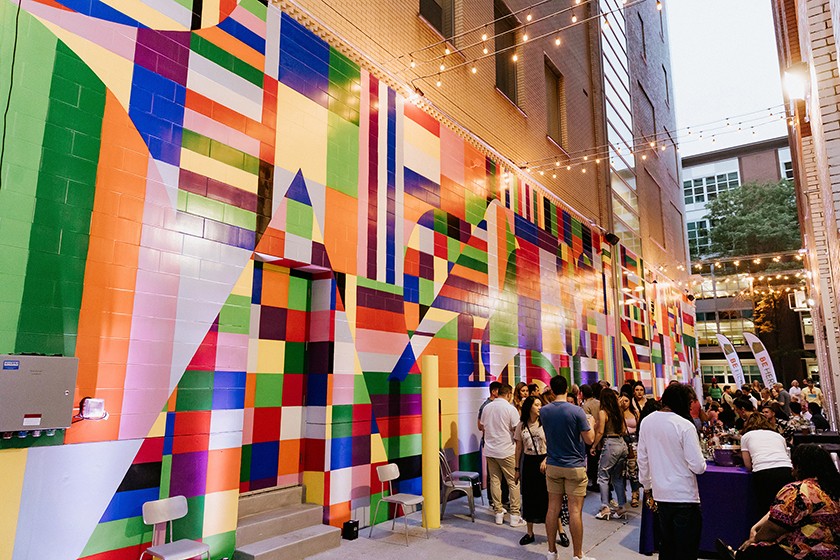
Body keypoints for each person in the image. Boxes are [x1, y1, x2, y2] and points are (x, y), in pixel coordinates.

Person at [719, 444, 840, 560]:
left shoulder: (797, 490)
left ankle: (738, 555)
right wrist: (755, 527)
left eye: (793, 465)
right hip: (834, 550)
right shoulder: (832, 487)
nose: (792, 470)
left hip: (807, 552)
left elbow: (774, 528)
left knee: (757, 549)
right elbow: (780, 513)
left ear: (800, 467)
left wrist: (754, 540)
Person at [638, 383, 707, 560]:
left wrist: (647, 485)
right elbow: (698, 466)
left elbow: (642, 458)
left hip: (661, 495)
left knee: (667, 548)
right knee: (686, 551)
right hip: (684, 496)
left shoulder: (647, 421)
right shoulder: (684, 425)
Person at [541, 375, 596, 560]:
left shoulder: (544, 411)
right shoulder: (577, 411)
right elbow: (589, 439)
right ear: (567, 389)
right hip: (574, 466)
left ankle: (551, 552)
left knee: (552, 509)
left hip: (553, 464)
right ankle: (577, 555)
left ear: (552, 389)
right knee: (575, 511)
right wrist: (592, 424)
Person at [514, 396, 570, 548]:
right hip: (529, 463)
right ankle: (529, 532)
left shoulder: (546, 423)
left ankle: (561, 530)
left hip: (546, 461)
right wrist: (516, 469)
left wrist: (546, 459)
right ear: (529, 407)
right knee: (529, 496)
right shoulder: (521, 425)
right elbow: (518, 448)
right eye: (536, 405)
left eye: (540, 404)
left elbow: (554, 443)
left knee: (551, 498)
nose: (540, 407)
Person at [481, 383, 526, 527]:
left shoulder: (487, 407)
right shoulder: (510, 409)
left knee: (495, 481)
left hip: (490, 450)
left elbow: (482, 425)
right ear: (509, 394)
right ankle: (515, 515)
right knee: (513, 482)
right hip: (506, 450)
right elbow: (516, 429)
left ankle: (498, 513)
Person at [740, 413, 794, 515]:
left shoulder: (746, 436)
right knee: (787, 507)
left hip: (764, 472)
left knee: (767, 509)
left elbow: (748, 466)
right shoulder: (778, 436)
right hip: (787, 470)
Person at [591, 389, 628, 520]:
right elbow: (624, 429)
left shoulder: (603, 412)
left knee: (603, 476)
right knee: (618, 478)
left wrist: (594, 445)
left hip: (610, 444)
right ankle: (622, 507)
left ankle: (605, 507)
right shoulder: (619, 411)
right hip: (622, 443)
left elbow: (600, 431)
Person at [619, 391, 641, 507]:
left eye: (626, 401)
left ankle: (635, 494)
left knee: (633, 470)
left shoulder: (636, 413)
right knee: (622, 470)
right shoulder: (618, 414)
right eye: (622, 401)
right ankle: (622, 495)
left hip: (634, 443)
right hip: (622, 442)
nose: (624, 403)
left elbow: (639, 429)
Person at [580, 384, 601, 492]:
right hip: (601, 435)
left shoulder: (585, 406)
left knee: (592, 460)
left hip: (591, 435)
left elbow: (586, 424)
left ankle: (594, 482)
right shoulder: (599, 402)